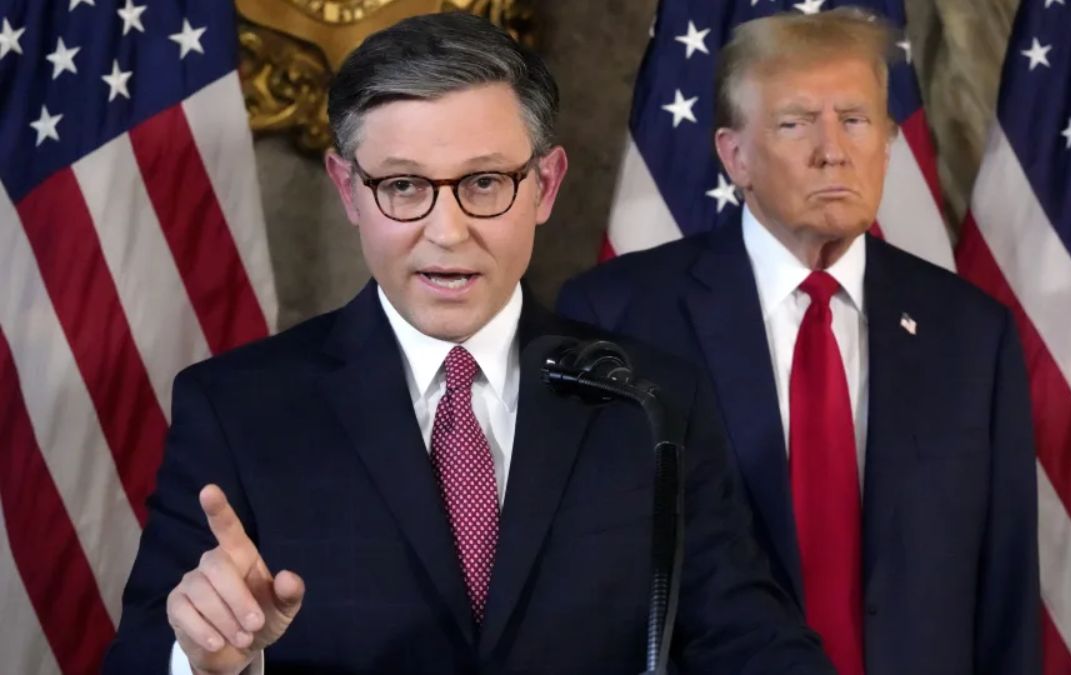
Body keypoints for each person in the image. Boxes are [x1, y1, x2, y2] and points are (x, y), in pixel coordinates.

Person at [102, 11, 835, 675]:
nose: (448, 231)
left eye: (485, 182)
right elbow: (142, 656)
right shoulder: (237, 410)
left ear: (546, 185)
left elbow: (751, 642)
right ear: (349, 189)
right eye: (403, 186)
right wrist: (201, 662)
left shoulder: (652, 401)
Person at [558, 9, 1040, 675]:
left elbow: (1006, 591)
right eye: (795, 123)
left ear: (888, 144)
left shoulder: (972, 333)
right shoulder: (621, 316)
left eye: (855, 120)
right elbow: (594, 581)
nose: (832, 149)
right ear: (735, 155)